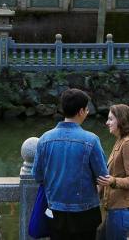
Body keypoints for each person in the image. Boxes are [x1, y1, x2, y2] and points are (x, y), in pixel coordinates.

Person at [33, 89, 109, 240]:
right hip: (85, 211)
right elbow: (102, 176)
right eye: (87, 109)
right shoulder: (91, 140)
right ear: (81, 111)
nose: (87, 112)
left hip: (55, 209)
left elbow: (37, 175)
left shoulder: (44, 139)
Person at [97, 104, 129, 240]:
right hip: (116, 206)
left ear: (121, 120)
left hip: (123, 208)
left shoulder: (128, 144)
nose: (107, 123)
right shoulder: (120, 140)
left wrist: (113, 181)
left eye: (110, 119)